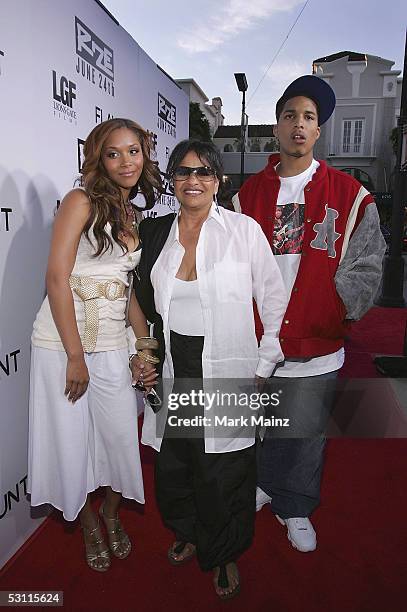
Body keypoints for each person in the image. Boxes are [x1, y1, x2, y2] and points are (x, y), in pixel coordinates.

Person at [233, 75, 387, 553]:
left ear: (319, 131)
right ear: (276, 127)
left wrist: (335, 310)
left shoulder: (350, 194)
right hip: (258, 336)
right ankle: (263, 484)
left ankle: (295, 504)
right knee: (260, 422)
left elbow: (367, 264)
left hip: (317, 338)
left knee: (304, 428)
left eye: (309, 118)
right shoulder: (245, 197)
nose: (298, 125)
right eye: (289, 115)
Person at [137, 139, 287, 599]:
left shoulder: (242, 230)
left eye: (203, 172)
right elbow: (139, 300)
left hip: (225, 360)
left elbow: (274, 296)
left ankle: (222, 551)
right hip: (175, 361)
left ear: (218, 180)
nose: (193, 180)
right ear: (172, 181)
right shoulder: (154, 232)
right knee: (177, 461)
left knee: (224, 466)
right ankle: (187, 529)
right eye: (183, 172)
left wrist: (265, 360)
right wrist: (142, 351)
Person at [28, 118, 161, 572]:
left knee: (120, 440)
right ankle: (88, 523)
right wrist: (74, 355)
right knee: (71, 443)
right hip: (63, 344)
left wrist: (144, 346)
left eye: (133, 151)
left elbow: (129, 293)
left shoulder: (134, 214)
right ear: (98, 158)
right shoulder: (80, 201)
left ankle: (110, 513)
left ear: (144, 156)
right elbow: (55, 278)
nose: (125, 161)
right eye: (113, 153)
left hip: (111, 343)